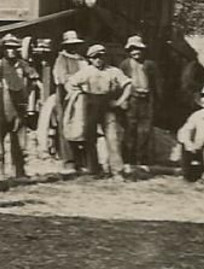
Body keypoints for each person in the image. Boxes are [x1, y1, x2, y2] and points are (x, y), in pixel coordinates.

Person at [66, 43, 134, 177]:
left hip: (107, 104)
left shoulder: (113, 71)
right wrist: (79, 96)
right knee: (90, 139)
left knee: (112, 138)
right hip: (90, 104)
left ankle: (117, 170)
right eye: (95, 57)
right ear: (90, 59)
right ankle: (94, 170)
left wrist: (120, 101)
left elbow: (128, 85)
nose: (98, 59)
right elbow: (70, 83)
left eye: (101, 56)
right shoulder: (86, 71)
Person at [0, 37, 34, 177]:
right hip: (2, 105)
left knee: (20, 142)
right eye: (8, 48)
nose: (11, 51)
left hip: (19, 106)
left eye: (14, 48)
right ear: (4, 50)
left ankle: (19, 171)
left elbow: (33, 79)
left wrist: (28, 98)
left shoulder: (22, 65)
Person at [47, 30, 88, 167]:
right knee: (65, 123)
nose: (73, 47)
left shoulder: (82, 59)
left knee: (81, 124)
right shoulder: (61, 59)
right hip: (66, 94)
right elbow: (62, 77)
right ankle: (69, 160)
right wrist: (72, 88)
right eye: (70, 45)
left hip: (81, 94)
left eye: (74, 45)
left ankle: (82, 159)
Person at [118, 35, 159, 166]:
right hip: (131, 100)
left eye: (138, 49)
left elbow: (157, 84)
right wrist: (122, 100)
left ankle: (143, 161)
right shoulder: (124, 65)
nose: (136, 52)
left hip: (146, 100)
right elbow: (120, 84)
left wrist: (156, 100)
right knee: (130, 129)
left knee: (145, 131)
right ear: (129, 51)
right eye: (132, 49)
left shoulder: (150, 64)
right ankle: (128, 161)